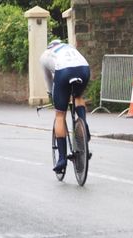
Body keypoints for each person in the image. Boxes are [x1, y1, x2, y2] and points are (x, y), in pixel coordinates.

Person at [40, 39, 91, 173]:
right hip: (84, 69)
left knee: (59, 114)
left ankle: (62, 158)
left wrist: (53, 96)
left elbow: (49, 81)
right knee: (78, 96)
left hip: (64, 71)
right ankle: (84, 125)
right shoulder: (69, 47)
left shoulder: (45, 55)